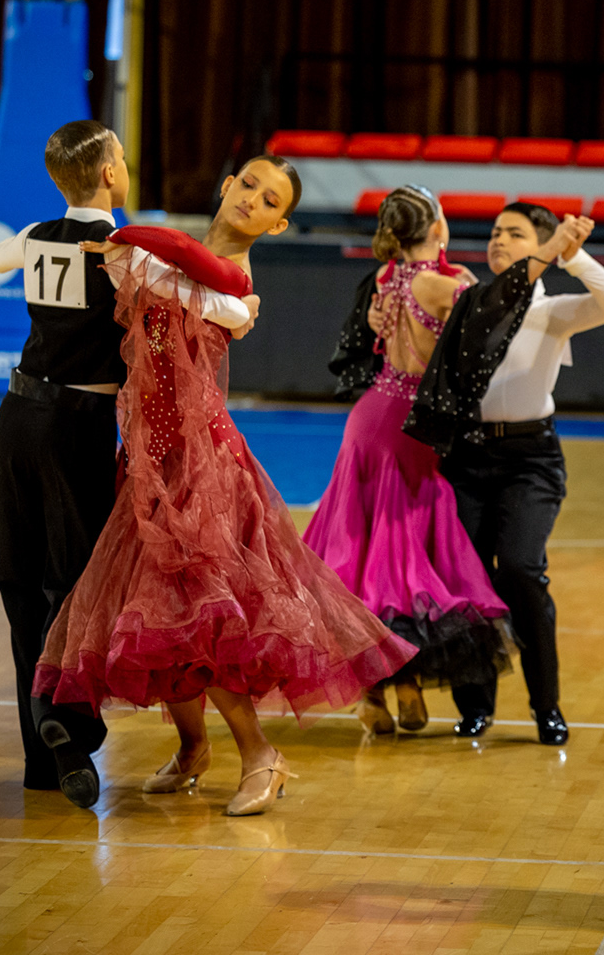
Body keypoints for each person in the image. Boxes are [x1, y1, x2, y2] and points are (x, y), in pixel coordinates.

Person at [33, 155, 417, 816]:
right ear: (226, 184)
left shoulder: (230, 276)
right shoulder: (165, 262)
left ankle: (262, 756)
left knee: (197, 616)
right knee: (152, 616)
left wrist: (120, 234)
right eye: (249, 184)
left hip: (200, 461)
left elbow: (175, 257)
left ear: (278, 224)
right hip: (147, 458)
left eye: (270, 200)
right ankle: (192, 748)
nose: (252, 199)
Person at [0, 120, 257, 808]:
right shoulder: (123, 252)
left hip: (14, 416)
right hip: (74, 424)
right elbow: (229, 310)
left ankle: (41, 756)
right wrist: (243, 306)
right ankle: (65, 724)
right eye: (123, 157)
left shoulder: (37, 235)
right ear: (110, 174)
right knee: (74, 585)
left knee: (19, 584)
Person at [305, 189, 593, 734]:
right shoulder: (448, 286)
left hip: (368, 419)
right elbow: (497, 303)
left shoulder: (383, 279)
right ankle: (403, 683)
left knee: (366, 561)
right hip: (410, 430)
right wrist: (551, 250)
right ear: (437, 228)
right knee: (402, 564)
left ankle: (380, 690)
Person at [440, 202, 604, 745]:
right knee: (468, 578)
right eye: (495, 232)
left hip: (530, 459)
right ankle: (475, 705)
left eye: (515, 234)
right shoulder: (469, 302)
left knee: (521, 570)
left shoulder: (552, 311)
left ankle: (546, 705)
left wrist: (572, 255)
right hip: (467, 457)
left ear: (542, 245)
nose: (499, 240)